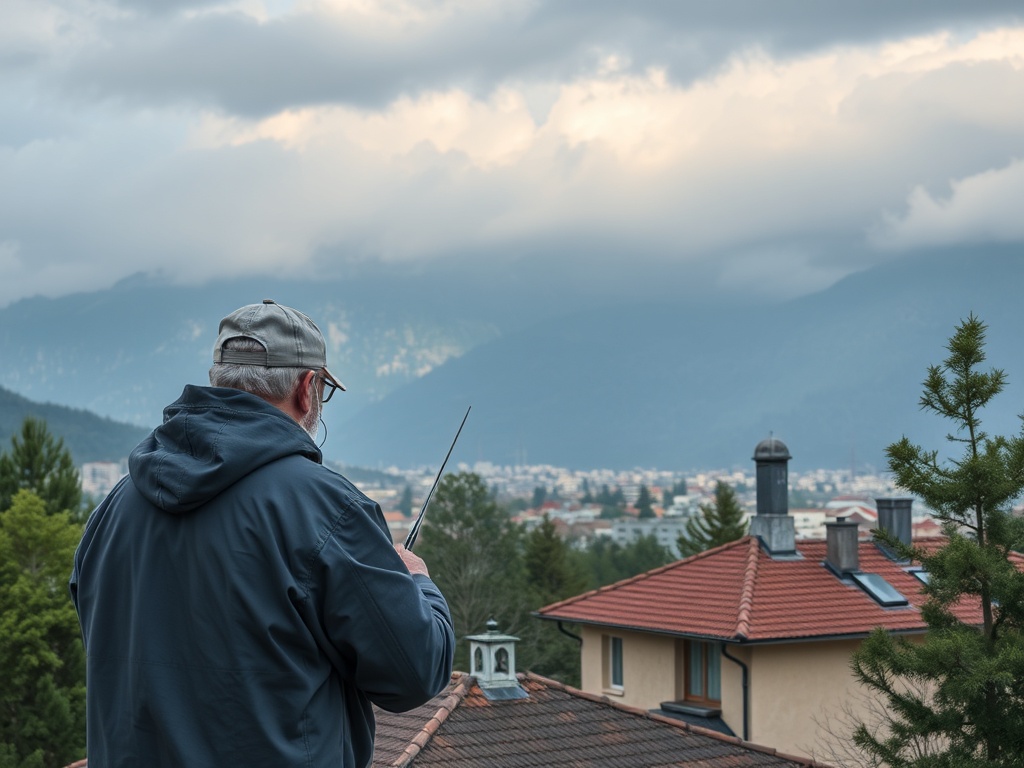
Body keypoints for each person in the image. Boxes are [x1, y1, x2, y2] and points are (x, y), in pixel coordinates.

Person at [70, 299, 455, 768]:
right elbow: (415, 673)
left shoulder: (114, 508)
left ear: (218, 379)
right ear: (307, 386)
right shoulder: (326, 509)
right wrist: (418, 582)